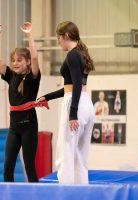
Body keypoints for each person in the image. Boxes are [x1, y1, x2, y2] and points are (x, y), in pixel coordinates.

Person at [37, 21, 95, 184]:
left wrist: (72, 114)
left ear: (66, 36)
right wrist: (48, 96)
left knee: (66, 154)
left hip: (75, 104)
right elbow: (73, 86)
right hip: (86, 103)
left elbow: (76, 85)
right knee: (80, 156)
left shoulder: (72, 55)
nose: (58, 41)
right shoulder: (82, 54)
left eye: (58, 38)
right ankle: (82, 193)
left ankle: (65, 193)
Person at [0, 22, 41, 182]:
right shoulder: (11, 76)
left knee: (29, 166)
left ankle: (36, 194)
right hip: (14, 127)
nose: (14, 63)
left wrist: (29, 35)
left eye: (19, 60)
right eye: (13, 60)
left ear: (27, 62)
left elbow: (35, 57)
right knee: (7, 166)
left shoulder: (33, 77)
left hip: (29, 126)